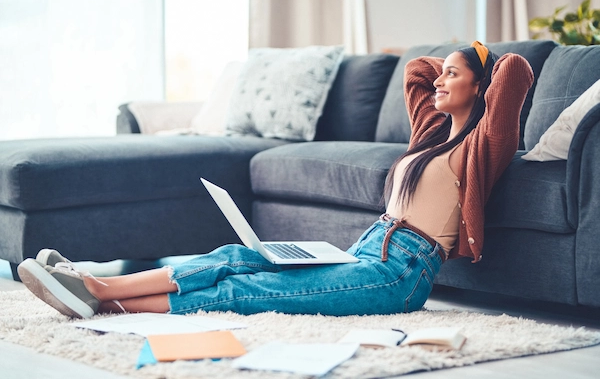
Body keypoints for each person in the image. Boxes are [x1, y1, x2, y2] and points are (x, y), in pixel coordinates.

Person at [17, 41, 534, 319]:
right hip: (364, 251)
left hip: (400, 275)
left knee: (249, 289)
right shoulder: (430, 134)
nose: (438, 79)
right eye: (443, 72)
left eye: (453, 74)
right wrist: (454, 66)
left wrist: (483, 61)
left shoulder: (481, 147)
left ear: (480, 87)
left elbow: (515, 74)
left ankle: (96, 297)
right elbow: (415, 73)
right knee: (235, 255)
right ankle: (92, 280)